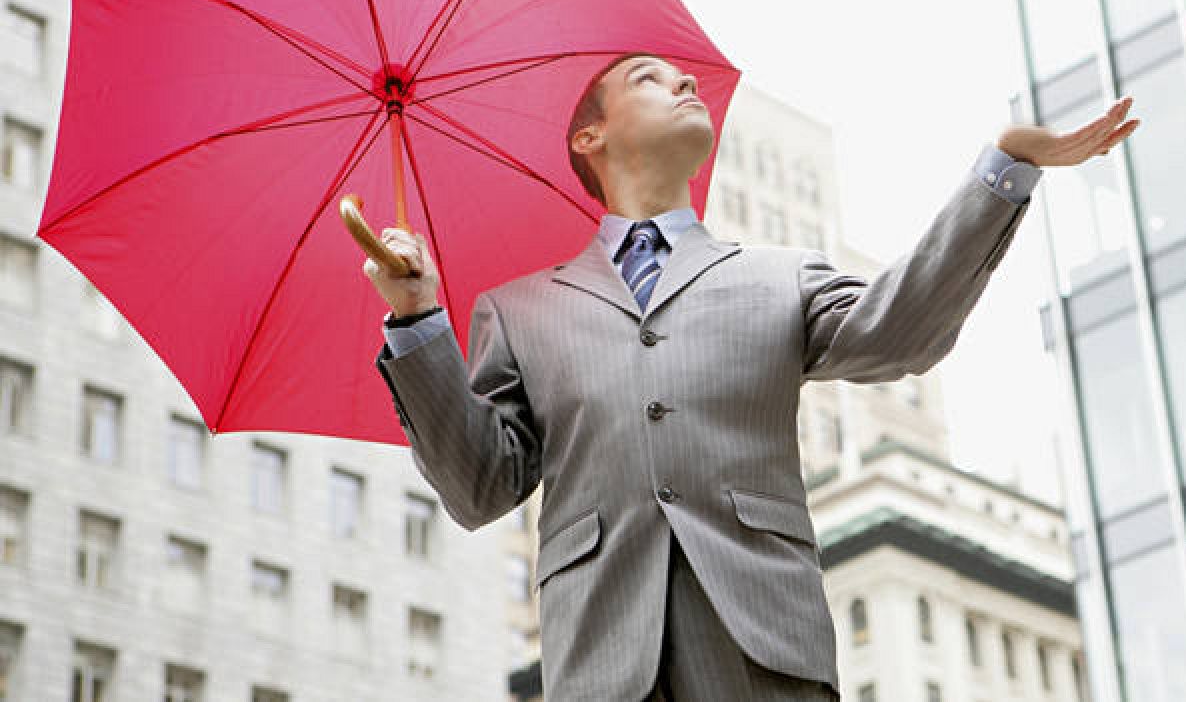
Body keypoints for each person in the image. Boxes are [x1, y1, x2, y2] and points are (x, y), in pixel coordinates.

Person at [366, 52, 1138, 701]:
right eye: (649, 79)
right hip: (599, 664)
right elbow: (479, 487)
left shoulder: (782, 277)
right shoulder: (519, 310)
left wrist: (1005, 169)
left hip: (765, 649)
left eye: (684, 80)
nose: (684, 86)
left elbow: (899, 334)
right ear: (589, 135)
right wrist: (416, 318)